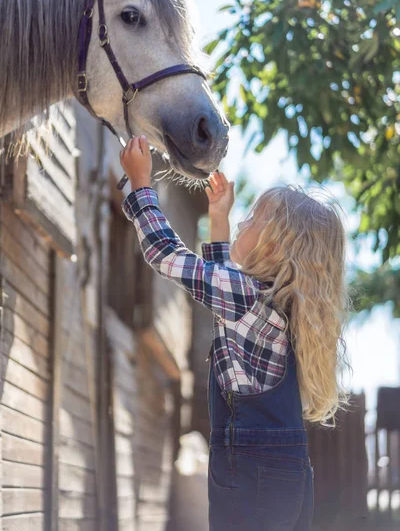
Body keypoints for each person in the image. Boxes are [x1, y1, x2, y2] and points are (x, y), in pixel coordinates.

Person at [120, 135, 349, 531]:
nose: (244, 220)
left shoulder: (245, 296)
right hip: (288, 475)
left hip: (251, 476)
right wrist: (220, 218)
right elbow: (225, 288)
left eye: (253, 218)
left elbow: (167, 255)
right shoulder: (279, 305)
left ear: (275, 245)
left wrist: (142, 185)